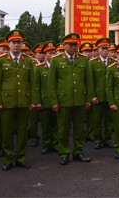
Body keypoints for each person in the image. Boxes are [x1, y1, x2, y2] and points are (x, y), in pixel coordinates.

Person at [0, 30, 40, 171]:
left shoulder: (28, 60)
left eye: (19, 42)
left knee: (22, 132)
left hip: (24, 102)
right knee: (7, 132)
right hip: (7, 102)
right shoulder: (1, 61)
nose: (17, 45)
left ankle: (20, 157)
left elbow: (32, 83)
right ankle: (8, 158)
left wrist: (33, 101)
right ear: (9, 44)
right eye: (14, 42)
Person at [48, 33, 94, 165]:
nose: (74, 47)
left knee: (79, 128)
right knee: (63, 129)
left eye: (75, 44)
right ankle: (64, 153)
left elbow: (88, 82)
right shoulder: (56, 60)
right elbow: (52, 84)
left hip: (79, 100)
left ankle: (78, 152)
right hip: (63, 101)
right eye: (71, 44)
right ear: (64, 45)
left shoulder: (84, 59)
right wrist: (54, 101)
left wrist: (88, 99)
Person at [89, 37, 114, 149]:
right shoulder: (93, 63)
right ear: (98, 50)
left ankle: (107, 139)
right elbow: (90, 81)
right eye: (102, 48)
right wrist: (92, 95)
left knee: (109, 120)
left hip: (110, 97)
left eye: (107, 49)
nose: (105, 51)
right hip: (98, 96)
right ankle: (98, 139)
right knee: (97, 119)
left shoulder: (113, 63)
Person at [34, 41, 58, 154]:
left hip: (56, 101)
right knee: (45, 125)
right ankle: (46, 144)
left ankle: (55, 143)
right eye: (49, 53)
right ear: (45, 55)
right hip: (44, 101)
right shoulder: (39, 68)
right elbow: (36, 87)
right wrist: (37, 101)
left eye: (54, 53)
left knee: (56, 125)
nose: (52, 55)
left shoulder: (59, 67)